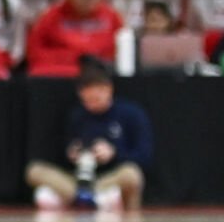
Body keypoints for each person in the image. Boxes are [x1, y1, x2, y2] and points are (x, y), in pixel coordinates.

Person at [26, 64, 150, 209]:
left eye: (96, 99)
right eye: (87, 101)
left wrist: (113, 154)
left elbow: (144, 156)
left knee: (132, 174)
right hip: (79, 179)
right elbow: (63, 151)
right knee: (34, 171)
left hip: (111, 178)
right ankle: (83, 197)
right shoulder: (77, 116)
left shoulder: (131, 114)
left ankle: (91, 196)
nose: (91, 105)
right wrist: (72, 153)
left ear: (108, 89)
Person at [26, 0, 122, 76]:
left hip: (99, 73)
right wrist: (71, 57)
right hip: (60, 73)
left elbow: (120, 50)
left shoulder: (111, 16)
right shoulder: (52, 14)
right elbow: (34, 50)